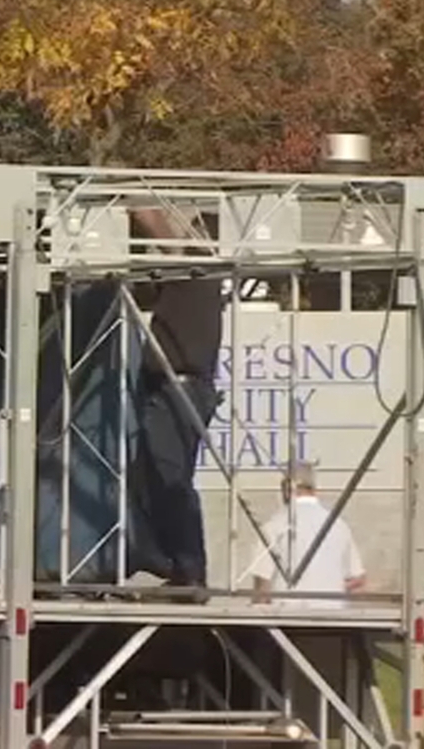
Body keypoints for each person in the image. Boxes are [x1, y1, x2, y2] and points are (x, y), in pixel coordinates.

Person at [126, 206, 225, 599]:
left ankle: (187, 568)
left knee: (169, 476)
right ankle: (167, 560)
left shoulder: (197, 268)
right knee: (150, 475)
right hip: (173, 388)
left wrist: (137, 202)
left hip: (179, 387)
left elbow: (157, 226)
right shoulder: (190, 277)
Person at [248, 460, 367, 605]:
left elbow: (262, 586)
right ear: (314, 489)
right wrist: (332, 587)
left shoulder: (274, 526)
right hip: (332, 613)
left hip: (287, 614)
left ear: (286, 489)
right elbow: (358, 580)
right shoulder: (339, 525)